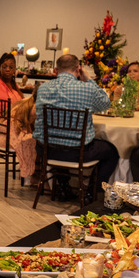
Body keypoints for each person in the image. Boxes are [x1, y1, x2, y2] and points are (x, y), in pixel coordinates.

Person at [33, 53, 119, 199]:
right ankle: (92, 191)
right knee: (111, 151)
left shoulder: (42, 88)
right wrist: (89, 79)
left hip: (46, 150)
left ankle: (63, 187)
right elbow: (105, 104)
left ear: (56, 70)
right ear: (78, 69)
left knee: (59, 137)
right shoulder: (86, 88)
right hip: (76, 153)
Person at [0, 52, 24, 140]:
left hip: (11, 120)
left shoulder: (12, 83)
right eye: (4, 66)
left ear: (14, 70)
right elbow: (5, 109)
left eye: (11, 67)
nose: (8, 69)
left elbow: (20, 100)